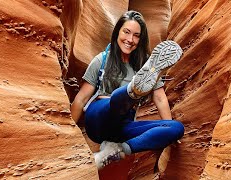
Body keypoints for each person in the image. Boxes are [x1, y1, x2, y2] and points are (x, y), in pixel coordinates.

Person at [71, 10, 184, 170]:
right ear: (117, 32)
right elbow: (80, 99)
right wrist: (68, 131)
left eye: (136, 35)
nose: (130, 39)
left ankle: (117, 150)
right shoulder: (101, 60)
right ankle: (132, 91)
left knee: (176, 128)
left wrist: (167, 129)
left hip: (121, 127)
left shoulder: (145, 66)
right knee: (117, 100)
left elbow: (160, 98)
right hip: (98, 118)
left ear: (141, 39)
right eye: (126, 32)